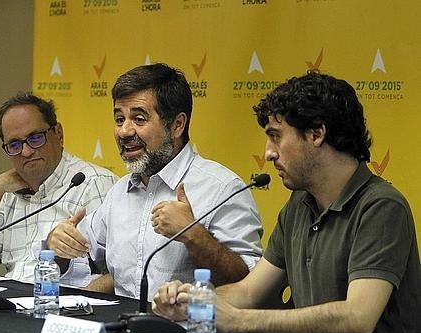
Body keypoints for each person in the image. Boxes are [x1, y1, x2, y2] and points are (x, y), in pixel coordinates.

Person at [152, 71, 421, 333]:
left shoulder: (382, 207)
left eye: (276, 136)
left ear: (316, 133)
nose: (268, 153)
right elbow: (247, 292)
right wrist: (192, 301)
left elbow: (358, 317)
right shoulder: (299, 204)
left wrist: (240, 320)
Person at [46, 63, 263, 300]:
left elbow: (250, 285)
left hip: (189, 331)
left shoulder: (222, 188)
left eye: (139, 119)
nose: (124, 132)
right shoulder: (120, 192)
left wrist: (194, 235)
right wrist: (58, 246)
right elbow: (84, 255)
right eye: (119, 119)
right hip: (121, 330)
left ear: (177, 124)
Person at [0, 92, 117, 286]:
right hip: (12, 306)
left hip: (60, 307)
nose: (26, 151)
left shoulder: (93, 183)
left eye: (35, 138)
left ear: (59, 134)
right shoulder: (8, 191)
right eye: (14, 144)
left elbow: (120, 273)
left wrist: (79, 301)